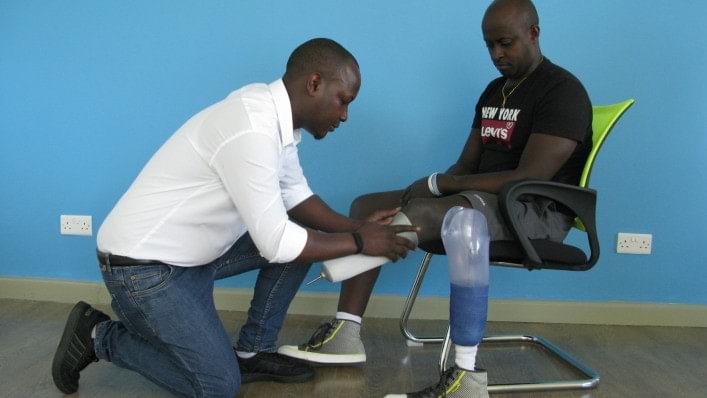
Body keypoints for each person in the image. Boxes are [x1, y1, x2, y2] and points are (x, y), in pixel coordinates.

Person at [51, 38, 418, 398]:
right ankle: (99, 336)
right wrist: (360, 242)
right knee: (217, 387)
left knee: (306, 238)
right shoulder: (251, 127)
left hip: (190, 255)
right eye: (343, 101)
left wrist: (358, 227)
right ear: (315, 83)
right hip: (143, 269)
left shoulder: (275, 119)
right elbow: (276, 242)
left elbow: (296, 196)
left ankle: (253, 351)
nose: (344, 115)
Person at [278, 1, 593, 396]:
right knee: (366, 206)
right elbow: (465, 166)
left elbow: (530, 177)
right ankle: (346, 334)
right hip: (482, 200)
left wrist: (441, 188)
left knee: (437, 212)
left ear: (534, 33)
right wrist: (431, 185)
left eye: (506, 43)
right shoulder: (495, 92)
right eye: (489, 45)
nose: (497, 54)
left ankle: (467, 377)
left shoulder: (563, 92)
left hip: (533, 210)